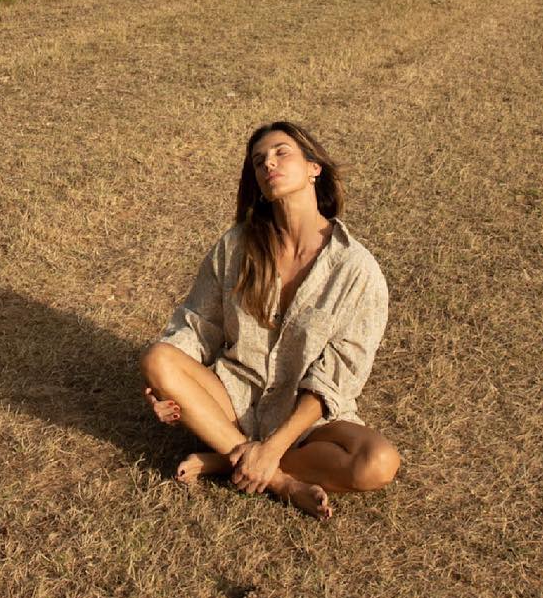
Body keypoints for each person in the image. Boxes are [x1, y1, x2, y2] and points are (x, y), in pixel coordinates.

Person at [140, 120, 400, 520]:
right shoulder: (236, 246)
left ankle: (224, 459)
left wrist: (275, 445)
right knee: (158, 358)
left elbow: (337, 375)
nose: (268, 164)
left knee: (378, 462)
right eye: (258, 161)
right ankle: (279, 481)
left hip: (304, 422)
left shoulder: (356, 270)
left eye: (281, 152)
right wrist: (165, 387)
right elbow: (196, 325)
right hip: (232, 397)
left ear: (314, 167)